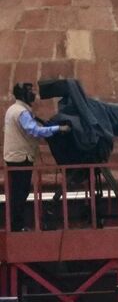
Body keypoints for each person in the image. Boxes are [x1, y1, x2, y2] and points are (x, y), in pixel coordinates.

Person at [5, 81, 70, 231]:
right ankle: (17, 226)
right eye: (30, 91)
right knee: (20, 193)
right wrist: (58, 128)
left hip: (15, 157)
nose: (33, 94)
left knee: (17, 192)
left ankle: (16, 225)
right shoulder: (21, 112)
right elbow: (34, 130)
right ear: (23, 95)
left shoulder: (14, 109)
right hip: (21, 158)